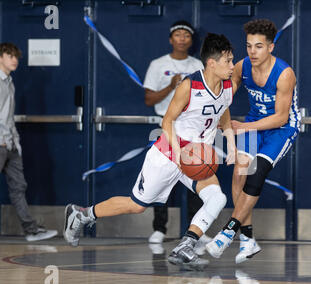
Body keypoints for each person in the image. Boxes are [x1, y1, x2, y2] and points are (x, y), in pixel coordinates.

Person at [64, 33, 236, 270]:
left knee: (217, 198)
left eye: (232, 59)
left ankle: (185, 246)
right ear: (211, 63)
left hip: (198, 156)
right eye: (227, 61)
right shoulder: (189, 86)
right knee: (137, 205)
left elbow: (222, 110)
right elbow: (167, 122)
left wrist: (231, 142)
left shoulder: (228, 86)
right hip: (169, 153)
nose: (231, 65)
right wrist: (181, 154)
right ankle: (82, 214)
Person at [206, 19, 301, 263]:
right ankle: (248, 240)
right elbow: (227, 93)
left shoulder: (284, 74)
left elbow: (280, 118)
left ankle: (228, 232)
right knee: (239, 173)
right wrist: (214, 111)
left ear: (270, 47)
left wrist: (243, 127)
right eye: (248, 46)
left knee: (256, 173)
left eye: (258, 46)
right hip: (253, 123)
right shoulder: (242, 66)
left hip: (281, 129)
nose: (252, 52)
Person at [143, 20, 210, 248]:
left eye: (186, 35)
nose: (182, 39)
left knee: (195, 177)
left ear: (191, 41)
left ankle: (194, 231)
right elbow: (149, 99)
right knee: (160, 179)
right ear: (171, 39)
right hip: (165, 127)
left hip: (191, 129)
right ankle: (159, 229)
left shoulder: (198, 65)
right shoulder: (158, 64)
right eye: (178, 35)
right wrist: (172, 86)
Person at [0, 42, 57, 241]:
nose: (14, 60)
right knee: (18, 187)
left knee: (19, 187)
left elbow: (8, 116)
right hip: (0, 143)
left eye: (16, 56)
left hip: (11, 145)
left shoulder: (9, 82)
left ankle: (31, 231)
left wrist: (16, 142)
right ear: (0, 58)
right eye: (9, 56)